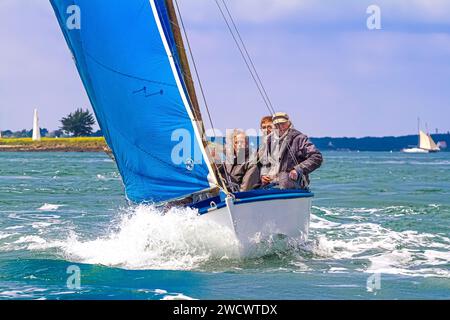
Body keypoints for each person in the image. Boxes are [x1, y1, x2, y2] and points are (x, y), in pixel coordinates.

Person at [260, 112, 323, 189]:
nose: (280, 127)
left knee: (284, 177)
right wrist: (263, 174)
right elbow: (265, 162)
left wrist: (298, 169)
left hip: (291, 183)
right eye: (277, 125)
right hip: (271, 183)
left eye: (282, 123)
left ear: (288, 123)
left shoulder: (299, 138)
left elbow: (316, 157)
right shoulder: (269, 140)